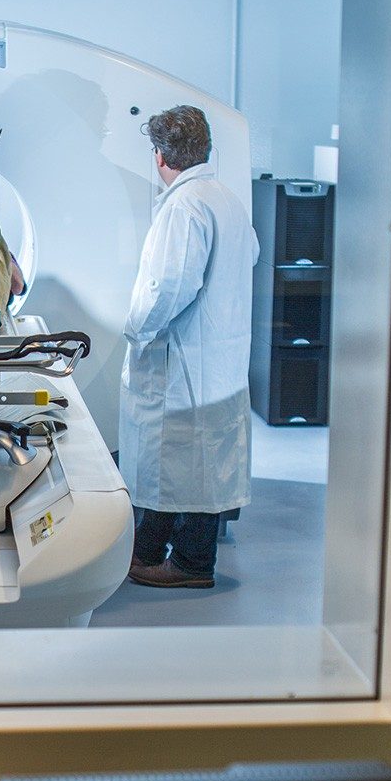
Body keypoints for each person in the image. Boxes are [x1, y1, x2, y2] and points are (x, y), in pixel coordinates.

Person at [119, 103, 259, 588]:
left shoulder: (183, 205)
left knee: (180, 465)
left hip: (183, 359)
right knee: (198, 465)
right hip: (217, 357)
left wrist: (135, 329)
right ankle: (152, 550)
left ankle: (191, 565)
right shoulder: (225, 198)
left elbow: (169, 285)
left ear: (160, 156)